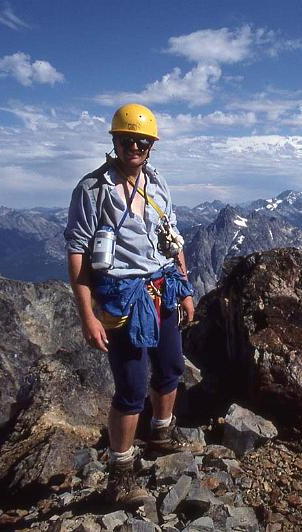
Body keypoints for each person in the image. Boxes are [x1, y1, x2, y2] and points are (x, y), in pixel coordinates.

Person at [64, 103, 198, 507]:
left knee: (172, 366)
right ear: (115, 142)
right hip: (122, 297)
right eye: (127, 140)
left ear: (150, 146)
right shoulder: (92, 190)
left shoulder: (158, 185)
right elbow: (76, 252)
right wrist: (87, 315)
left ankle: (160, 433)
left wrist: (186, 288)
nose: (134, 147)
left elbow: (171, 237)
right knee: (132, 386)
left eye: (142, 141)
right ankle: (119, 472)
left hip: (163, 289)